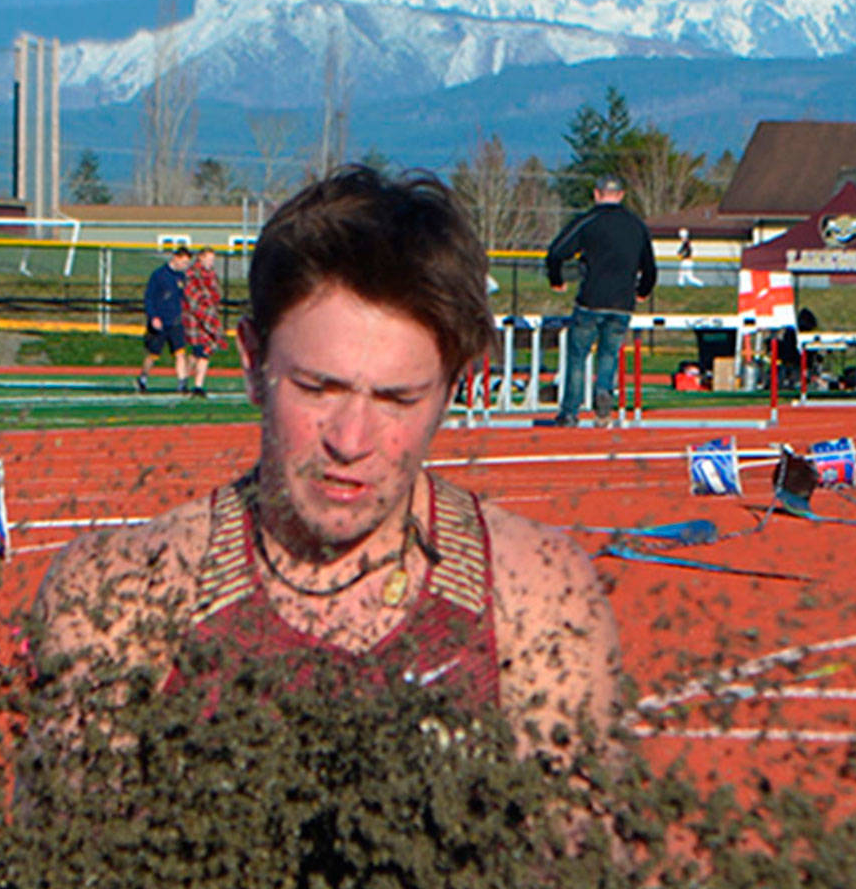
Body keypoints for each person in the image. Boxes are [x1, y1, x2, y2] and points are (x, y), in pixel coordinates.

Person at [33, 167, 620, 758]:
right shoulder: (123, 596)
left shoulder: (536, 598)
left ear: (453, 390)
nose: (351, 439)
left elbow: (577, 842)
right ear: (254, 362)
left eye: (397, 400)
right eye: (317, 389)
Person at [545, 174, 657, 426]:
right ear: (622, 195)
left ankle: (570, 411)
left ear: (596, 194)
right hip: (622, 303)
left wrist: (556, 279)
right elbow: (649, 266)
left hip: (591, 300)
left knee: (577, 356)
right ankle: (603, 397)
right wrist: (643, 290)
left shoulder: (588, 221)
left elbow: (556, 252)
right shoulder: (636, 225)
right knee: (609, 354)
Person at [137, 246, 191, 395]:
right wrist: (153, 316)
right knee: (153, 354)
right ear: (176, 258)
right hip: (160, 321)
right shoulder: (159, 275)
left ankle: (182, 383)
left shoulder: (181, 277)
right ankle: (143, 378)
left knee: (180, 353)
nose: (185, 266)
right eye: (184, 262)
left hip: (175, 322)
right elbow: (149, 298)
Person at [182, 247, 223, 399]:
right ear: (200, 258)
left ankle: (198, 386)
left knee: (205, 351)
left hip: (209, 316)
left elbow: (215, 294)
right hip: (195, 318)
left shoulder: (212, 275)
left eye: (212, 260)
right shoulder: (192, 274)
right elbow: (191, 296)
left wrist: (211, 313)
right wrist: (202, 310)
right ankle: (184, 379)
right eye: (208, 259)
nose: (210, 262)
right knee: (196, 352)